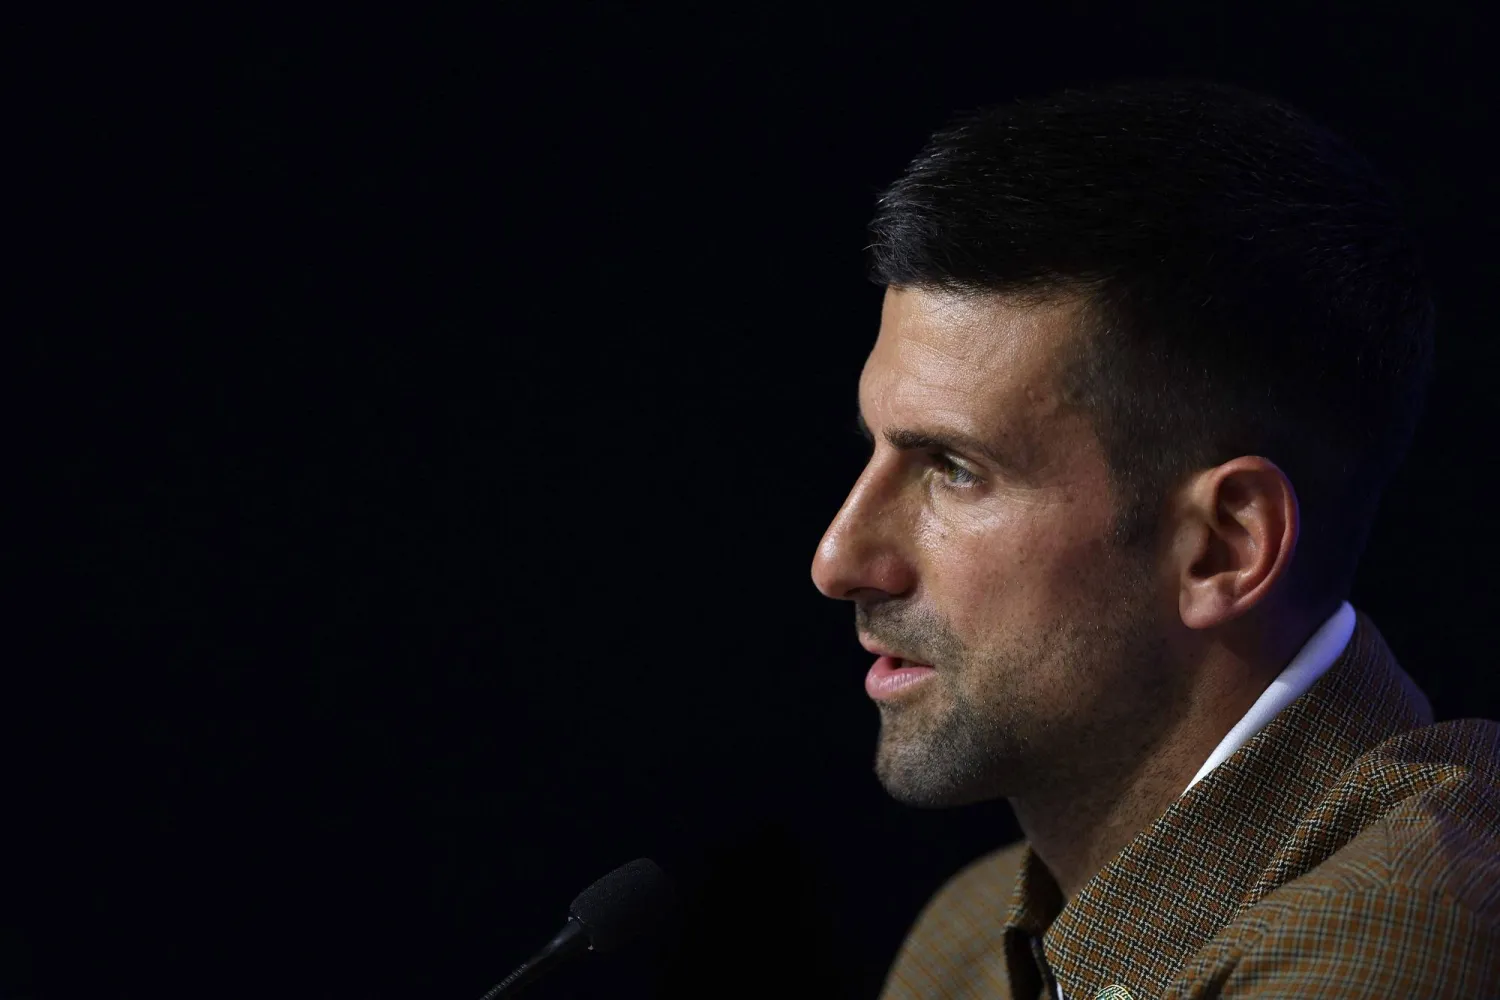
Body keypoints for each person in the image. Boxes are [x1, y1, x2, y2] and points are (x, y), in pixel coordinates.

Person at [809, 80, 1500, 1000]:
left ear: (1224, 546)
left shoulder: (1405, 938)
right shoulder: (966, 940)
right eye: (876, 451)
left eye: (955, 468)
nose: (840, 561)